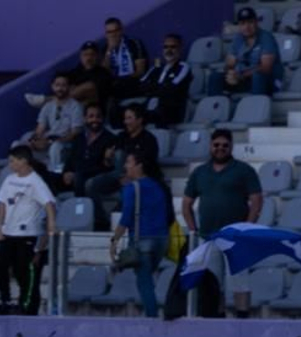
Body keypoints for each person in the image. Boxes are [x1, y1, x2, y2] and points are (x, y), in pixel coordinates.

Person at [182, 130, 263, 318]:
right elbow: (187, 203)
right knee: (213, 282)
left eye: (225, 145)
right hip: (209, 237)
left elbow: (257, 200)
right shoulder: (200, 172)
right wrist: (194, 230)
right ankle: (217, 318)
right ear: (210, 146)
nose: (220, 149)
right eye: (216, 145)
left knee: (240, 280)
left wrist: (247, 228)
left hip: (236, 237)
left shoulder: (243, 170)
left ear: (231, 147)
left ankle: (243, 318)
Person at [0, 146, 57, 315]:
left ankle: (27, 304)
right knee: (0, 266)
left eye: (13, 161)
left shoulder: (35, 181)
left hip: (27, 234)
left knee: (24, 271)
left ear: (23, 161)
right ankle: (5, 300)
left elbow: (49, 204)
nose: (10, 164)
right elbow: (2, 204)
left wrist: (51, 225)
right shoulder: (9, 179)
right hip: (9, 232)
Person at [109, 152, 168, 318]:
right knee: (148, 276)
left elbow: (126, 217)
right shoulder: (158, 186)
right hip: (161, 239)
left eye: (128, 162)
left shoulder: (131, 188)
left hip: (142, 239)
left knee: (144, 281)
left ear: (139, 165)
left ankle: (152, 317)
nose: (125, 166)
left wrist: (115, 240)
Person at [210, 7, 282, 97]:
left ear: (256, 22)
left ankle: (256, 109)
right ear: (239, 25)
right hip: (245, 78)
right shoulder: (238, 38)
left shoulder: (266, 38)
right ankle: (216, 109)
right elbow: (230, 63)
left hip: (269, 81)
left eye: (250, 22)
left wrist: (241, 75)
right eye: (243, 23)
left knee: (258, 76)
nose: (246, 27)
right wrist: (231, 74)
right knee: (215, 77)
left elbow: (266, 68)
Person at [137, 33, 193, 128]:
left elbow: (171, 88)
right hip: (152, 106)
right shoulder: (156, 67)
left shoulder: (183, 67)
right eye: (166, 47)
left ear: (180, 49)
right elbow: (141, 85)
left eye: (173, 47)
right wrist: (158, 88)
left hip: (171, 109)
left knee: (163, 105)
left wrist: (152, 88)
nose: (169, 50)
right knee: (131, 110)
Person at [29, 75, 80, 172]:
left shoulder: (75, 106)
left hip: (66, 143)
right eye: (57, 85)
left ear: (69, 87)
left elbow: (75, 132)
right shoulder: (48, 106)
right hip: (49, 140)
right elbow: (40, 129)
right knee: (21, 144)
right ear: (52, 87)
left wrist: (50, 142)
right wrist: (34, 140)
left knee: (55, 147)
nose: (60, 88)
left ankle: (55, 175)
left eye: (64, 85)